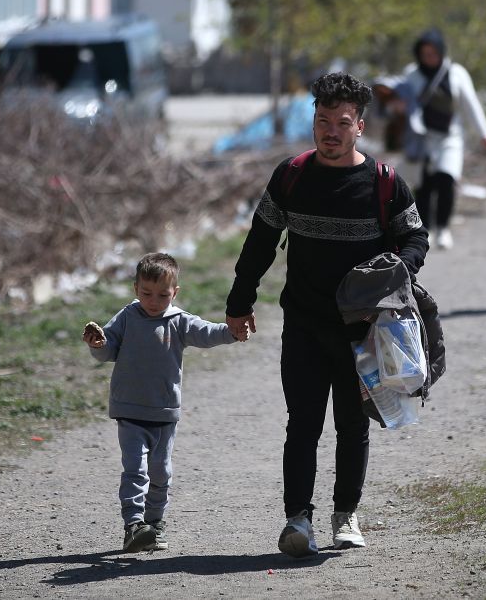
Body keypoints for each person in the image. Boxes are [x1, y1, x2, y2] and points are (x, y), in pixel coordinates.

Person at [223, 72, 429, 558]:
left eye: (341, 122)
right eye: (322, 121)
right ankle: (297, 521)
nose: (330, 132)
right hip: (304, 326)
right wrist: (239, 302)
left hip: (363, 332)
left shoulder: (383, 183)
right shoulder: (291, 176)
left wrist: (397, 270)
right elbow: (259, 244)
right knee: (303, 424)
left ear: (360, 126)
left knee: (354, 425)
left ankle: (345, 516)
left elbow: (415, 237)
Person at [83, 252, 238, 553]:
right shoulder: (127, 316)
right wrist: (98, 344)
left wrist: (232, 332)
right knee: (135, 470)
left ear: (175, 292)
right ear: (135, 289)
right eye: (146, 293)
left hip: (164, 413)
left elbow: (206, 332)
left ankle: (154, 525)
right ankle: (133, 525)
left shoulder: (178, 321)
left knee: (161, 472)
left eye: (163, 295)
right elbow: (108, 349)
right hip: (129, 410)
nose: (153, 301)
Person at [398, 29, 486, 250]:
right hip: (423, 138)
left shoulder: (456, 73)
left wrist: (484, 133)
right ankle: (426, 229)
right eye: (425, 53)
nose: (429, 57)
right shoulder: (411, 74)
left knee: (446, 180)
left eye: (433, 53)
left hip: (450, 137)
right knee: (424, 185)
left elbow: (471, 104)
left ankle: (443, 228)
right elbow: (401, 102)